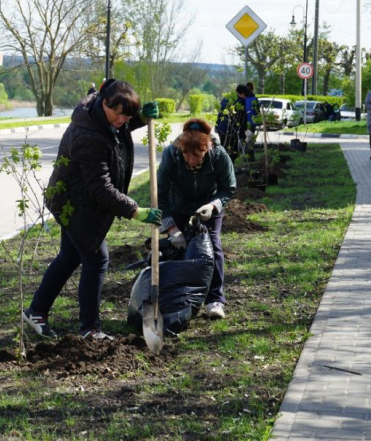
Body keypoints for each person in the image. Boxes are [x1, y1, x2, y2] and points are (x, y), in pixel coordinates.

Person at [23, 79, 162, 340]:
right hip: (74, 203)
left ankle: (37, 311)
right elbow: (101, 188)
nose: (121, 119)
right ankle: (90, 329)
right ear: (103, 102)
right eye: (117, 112)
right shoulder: (87, 135)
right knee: (96, 259)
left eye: (127, 114)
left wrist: (140, 118)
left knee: (70, 256)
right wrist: (135, 211)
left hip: (78, 199)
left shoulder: (103, 117)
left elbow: (118, 128)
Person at [156, 119, 236, 320]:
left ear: (207, 149)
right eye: (186, 154)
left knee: (212, 247)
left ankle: (214, 300)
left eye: (196, 156)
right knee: (176, 248)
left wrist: (213, 205)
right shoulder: (171, 156)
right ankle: (176, 298)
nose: (190, 160)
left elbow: (228, 188)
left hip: (207, 204)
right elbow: (160, 195)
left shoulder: (218, 156)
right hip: (177, 204)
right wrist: (172, 228)